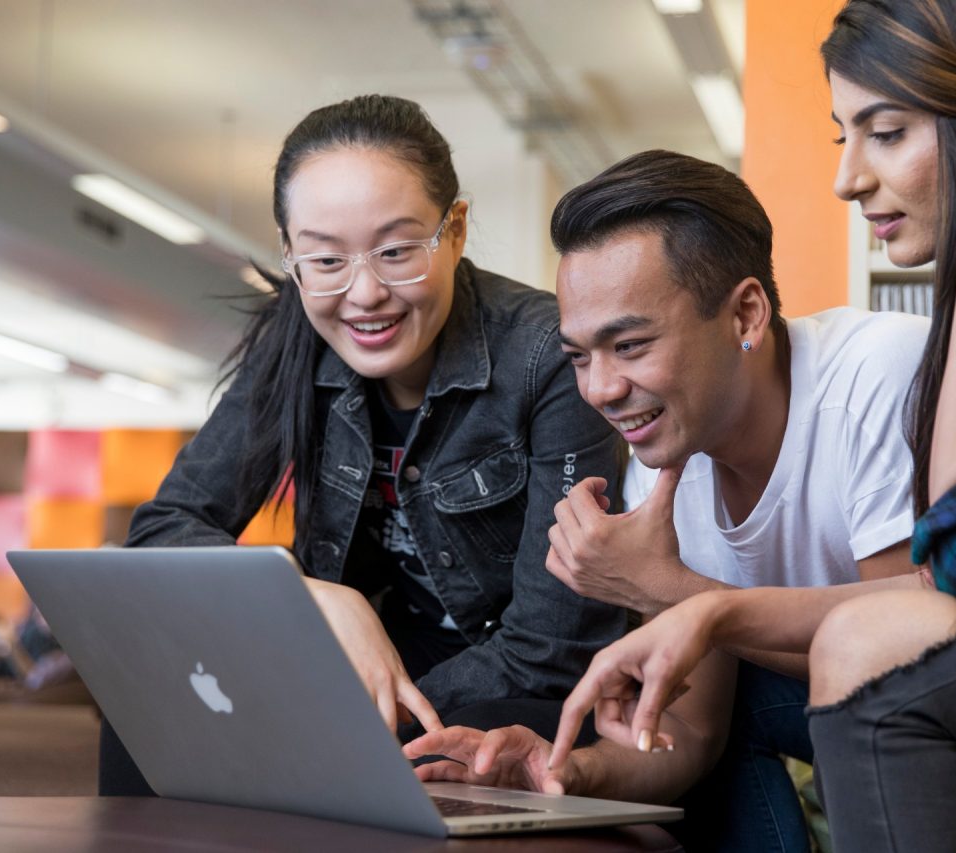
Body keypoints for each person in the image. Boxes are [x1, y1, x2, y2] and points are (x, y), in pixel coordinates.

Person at [534, 1, 956, 850]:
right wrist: (551, 770)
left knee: (869, 642)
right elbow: (694, 731)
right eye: (843, 137)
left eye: (886, 132)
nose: (849, 177)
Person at [406, 148, 930, 851]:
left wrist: (679, 592)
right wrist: (560, 769)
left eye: (628, 344)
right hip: (833, 720)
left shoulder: (875, 374)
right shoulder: (660, 472)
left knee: (749, 678)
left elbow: (917, 652)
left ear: (745, 313)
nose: (599, 389)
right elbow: (690, 734)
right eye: (580, 355)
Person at [102, 94, 626, 794]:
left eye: (397, 251)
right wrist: (303, 595)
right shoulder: (292, 343)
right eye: (325, 259)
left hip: (505, 684)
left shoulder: (547, 356)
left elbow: (550, 647)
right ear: (290, 255)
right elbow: (163, 530)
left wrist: (352, 707)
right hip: (354, 662)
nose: (365, 293)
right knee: (140, 722)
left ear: (456, 229)